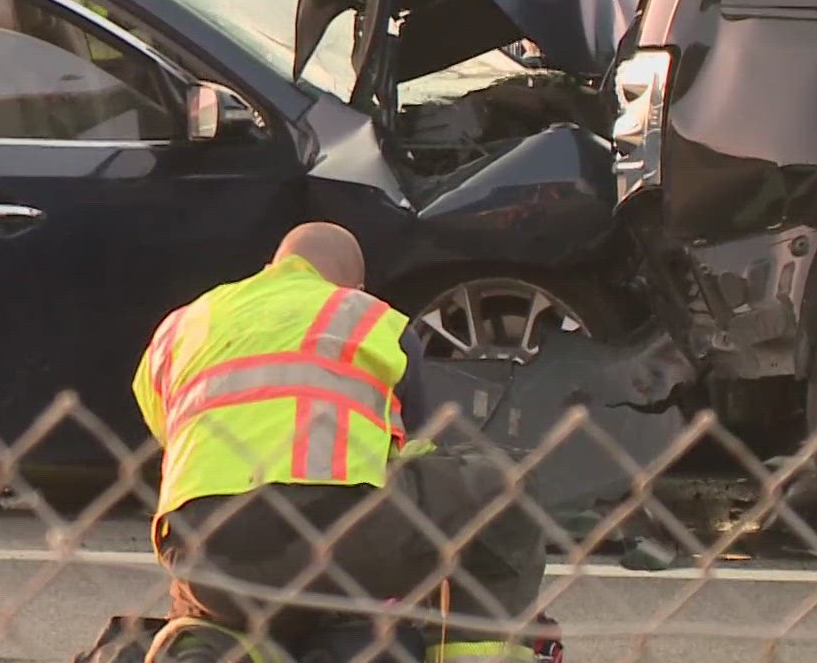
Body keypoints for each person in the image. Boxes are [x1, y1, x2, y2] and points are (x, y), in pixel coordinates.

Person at [135, 222, 550, 662]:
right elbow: (412, 450)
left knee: (214, 590)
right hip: (340, 531)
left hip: (206, 553)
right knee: (506, 489)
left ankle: (212, 646)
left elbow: (171, 438)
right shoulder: (367, 318)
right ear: (357, 285)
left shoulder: (181, 324)